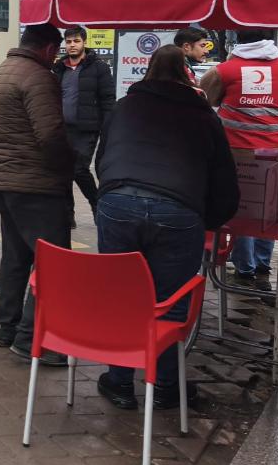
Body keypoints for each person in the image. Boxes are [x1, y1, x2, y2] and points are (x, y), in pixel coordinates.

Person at [94, 45, 240, 411]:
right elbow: (224, 177)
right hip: (178, 212)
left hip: (117, 204)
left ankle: (120, 382)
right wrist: (208, 220)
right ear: (186, 73)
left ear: (147, 69)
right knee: (171, 302)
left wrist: (113, 195)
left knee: (122, 295)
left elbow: (103, 159)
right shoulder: (204, 114)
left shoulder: (125, 106)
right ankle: (165, 386)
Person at [0, 23, 75, 366]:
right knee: (52, 264)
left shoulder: (1, 72)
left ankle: (7, 328)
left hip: (4, 181)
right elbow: (50, 135)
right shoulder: (39, 77)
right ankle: (33, 338)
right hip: (37, 184)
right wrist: (70, 166)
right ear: (49, 49)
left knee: (15, 258)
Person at [199, 30, 278, 286]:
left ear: (237, 41)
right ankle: (263, 262)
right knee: (269, 208)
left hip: (234, 154)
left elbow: (200, 102)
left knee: (242, 209)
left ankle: (245, 266)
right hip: (276, 153)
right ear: (271, 40)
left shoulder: (225, 71)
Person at [51, 26, 115, 216]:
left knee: (79, 169)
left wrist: (107, 128)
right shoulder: (59, 68)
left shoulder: (99, 67)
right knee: (64, 172)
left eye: (76, 41)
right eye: (69, 41)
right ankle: (67, 214)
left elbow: (108, 99)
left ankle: (97, 205)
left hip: (87, 128)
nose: (72, 45)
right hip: (63, 129)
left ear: (84, 42)